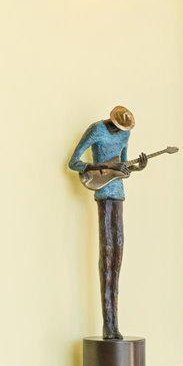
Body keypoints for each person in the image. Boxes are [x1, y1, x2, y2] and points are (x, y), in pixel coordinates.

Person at [68, 105, 149, 340]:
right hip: (102, 192)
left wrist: (137, 166)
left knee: (118, 252)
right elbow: (74, 162)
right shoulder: (96, 130)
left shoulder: (125, 134)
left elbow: (124, 167)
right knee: (107, 253)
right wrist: (104, 166)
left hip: (118, 192)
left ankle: (114, 322)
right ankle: (109, 325)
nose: (118, 130)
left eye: (122, 128)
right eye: (116, 126)